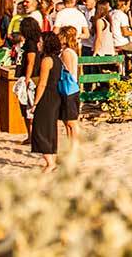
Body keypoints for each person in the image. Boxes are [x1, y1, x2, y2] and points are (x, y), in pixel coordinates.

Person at [29, 30, 62, 173]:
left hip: (47, 96)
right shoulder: (57, 59)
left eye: (40, 42)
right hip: (55, 96)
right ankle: (52, 160)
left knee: (40, 129)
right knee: (50, 128)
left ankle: (50, 162)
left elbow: (42, 84)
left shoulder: (46, 60)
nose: (38, 44)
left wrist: (35, 103)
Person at [57, 26, 80, 163]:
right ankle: (71, 149)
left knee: (71, 122)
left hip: (69, 89)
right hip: (70, 88)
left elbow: (69, 71)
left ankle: (74, 150)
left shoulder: (67, 52)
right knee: (68, 122)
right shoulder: (69, 51)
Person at [17, 17, 42, 142]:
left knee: (29, 106)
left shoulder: (31, 43)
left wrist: (27, 78)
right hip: (33, 76)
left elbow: (31, 62)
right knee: (27, 106)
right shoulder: (33, 41)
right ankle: (31, 135)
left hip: (32, 77)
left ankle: (32, 136)